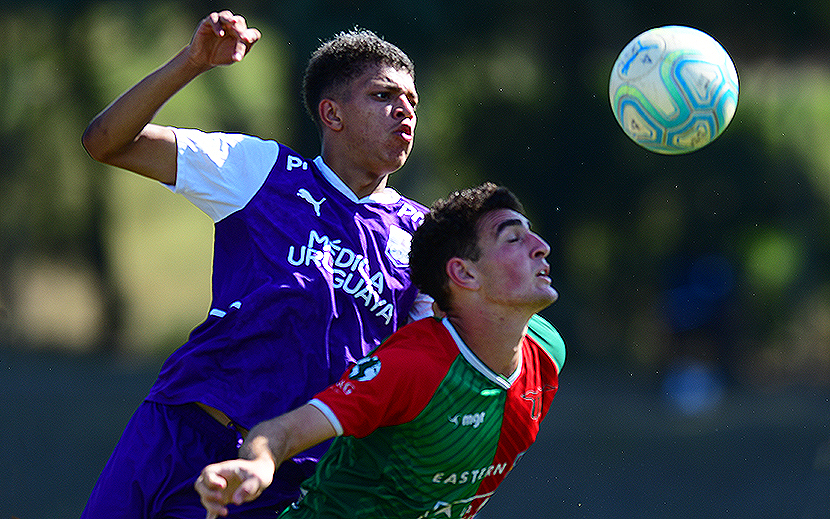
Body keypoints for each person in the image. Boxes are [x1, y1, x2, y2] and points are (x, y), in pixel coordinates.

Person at [80, 10, 432, 518]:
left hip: (281, 481)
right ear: (331, 114)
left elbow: (422, 372)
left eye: (412, 102)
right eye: (383, 96)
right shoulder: (260, 171)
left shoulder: (423, 238)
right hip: (177, 432)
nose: (405, 111)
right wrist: (192, 62)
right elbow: (105, 142)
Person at [195, 183, 566, 519]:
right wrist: (260, 464)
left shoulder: (548, 352)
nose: (541, 246)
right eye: (514, 239)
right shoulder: (412, 366)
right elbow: (281, 432)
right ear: (464, 274)